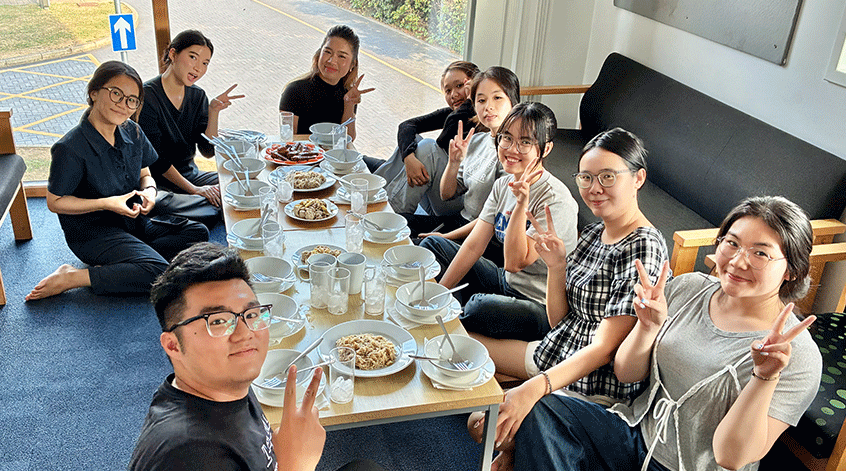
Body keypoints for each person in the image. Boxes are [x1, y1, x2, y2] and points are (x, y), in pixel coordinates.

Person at [509, 196, 822, 471]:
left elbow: (731, 457)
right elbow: (626, 372)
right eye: (733, 243)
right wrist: (647, 327)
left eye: (761, 253)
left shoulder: (797, 356)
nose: (739, 261)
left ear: (792, 269)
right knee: (541, 409)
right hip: (635, 437)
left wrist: (764, 377)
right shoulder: (690, 288)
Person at [466, 127, 669, 465]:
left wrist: (535, 388)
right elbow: (559, 320)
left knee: (483, 424)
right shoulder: (594, 234)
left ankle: (516, 448)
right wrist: (557, 267)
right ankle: (514, 450)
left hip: (591, 381)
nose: (594, 189)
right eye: (586, 178)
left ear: (638, 178)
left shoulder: (643, 246)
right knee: (460, 347)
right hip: (559, 348)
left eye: (607, 177)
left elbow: (604, 350)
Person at [130, 242, 386, 471]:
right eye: (218, 321)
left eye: (251, 314)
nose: (244, 333)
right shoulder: (187, 456)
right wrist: (295, 465)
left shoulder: (221, 383)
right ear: (173, 345)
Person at [25, 61, 208, 302]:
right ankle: (74, 277)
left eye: (132, 100)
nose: (124, 105)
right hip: (95, 233)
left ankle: (131, 261)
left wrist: (150, 192)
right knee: (158, 272)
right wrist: (107, 203)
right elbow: (55, 202)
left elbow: (146, 174)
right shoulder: (70, 147)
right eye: (116, 94)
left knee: (198, 233)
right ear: (94, 93)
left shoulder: (132, 130)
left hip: (133, 221)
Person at [421, 102, 579, 341]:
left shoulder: (555, 201)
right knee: (432, 247)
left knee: (479, 307)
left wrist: (520, 205)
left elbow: (515, 263)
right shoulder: (502, 185)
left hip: (538, 303)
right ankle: (449, 313)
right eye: (506, 138)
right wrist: (439, 292)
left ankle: (455, 321)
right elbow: (474, 245)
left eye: (525, 142)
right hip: (505, 282)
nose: (512, 149)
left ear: (545, 149)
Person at [138, 29, 243, 228]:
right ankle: (199, 208)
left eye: (205, 63)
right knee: (168, 204)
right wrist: (195, 190)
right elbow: (157, 161)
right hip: (157, 184)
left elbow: (208, 150)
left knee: (239, 182)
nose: (198, 68)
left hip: (190, 175)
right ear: (172, 54)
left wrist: (213, 112)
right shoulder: (148, 96)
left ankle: (196, 210)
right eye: (193, 57)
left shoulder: (197, 96)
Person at [411, 66, 521, 248]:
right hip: (461, 221)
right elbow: (446, 194)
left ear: (513, 101)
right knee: (397, 225)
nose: (488, 107)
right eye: (481, 100)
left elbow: (493, 220)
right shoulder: (477, 140)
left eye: (497, 98)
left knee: (416, 246)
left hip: (483, 237)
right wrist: (454, 163)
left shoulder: (513, 154)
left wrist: (445, 237)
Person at [376, 60, 479, 221]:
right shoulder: (453, 113)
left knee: (429, 148)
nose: (453, 95)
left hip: (460, 204)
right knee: (413, 142)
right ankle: (375, 194)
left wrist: (472, 99)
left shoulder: (480, 117)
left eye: (459, 86)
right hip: (439, 199)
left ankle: (388, 219)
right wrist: (409, 158)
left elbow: (442, 142)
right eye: (448, 90)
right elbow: (406, 126)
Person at [278, 25, 378, 170]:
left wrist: (349, 104)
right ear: (319, 54)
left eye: (342, 56)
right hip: (304, 165)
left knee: (388, 168)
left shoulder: (348, 93)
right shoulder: (294, 90)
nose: (332, 61)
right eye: (327, 52)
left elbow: (348, 140)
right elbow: (287, 142)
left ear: (352, 64)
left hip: (338, 163)